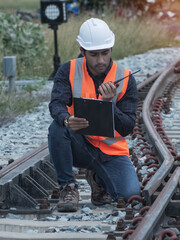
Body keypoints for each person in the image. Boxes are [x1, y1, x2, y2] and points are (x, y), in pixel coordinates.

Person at [48, 18, 141, 212]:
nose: (100, 60)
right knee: (57, 127)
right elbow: (56, 104)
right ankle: (68, 186)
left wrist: (109, 105)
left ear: (111, 49)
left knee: (130, 196)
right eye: (94, 54)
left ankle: (97, 180)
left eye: (105, 53)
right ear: (82, 51)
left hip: (111, 151)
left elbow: (127, 126)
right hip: (80, 145)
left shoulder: (126, 78)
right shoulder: (69, 70)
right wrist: (67, 119)